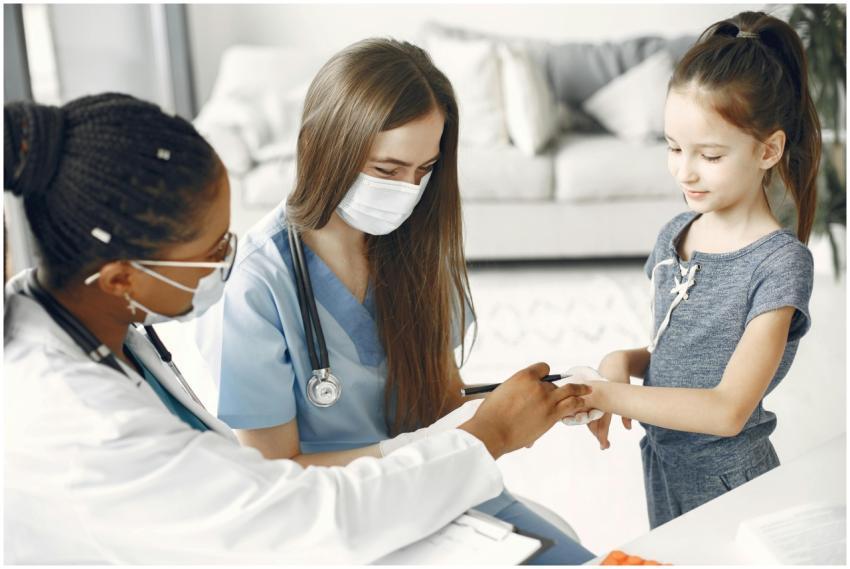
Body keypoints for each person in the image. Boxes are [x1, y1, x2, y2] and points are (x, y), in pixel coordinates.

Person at [3, 93, 593, 563]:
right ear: (119, 280)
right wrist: (485, 436)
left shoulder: (90, 324)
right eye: (212, 250)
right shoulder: (83, 424)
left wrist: (480, 422)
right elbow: (312, 517)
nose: (229, 259)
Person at [196, 38, 596, 564]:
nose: (408, 191)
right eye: (387, 170)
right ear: (322, 145)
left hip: (443, 496)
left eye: (424, 170)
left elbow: (438, 406)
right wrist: (447, 446)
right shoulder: (255, 287)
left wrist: (551, 400)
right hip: (342, 525)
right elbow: (276, 478)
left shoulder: (416, 249)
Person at [577, 11, 819, 528]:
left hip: (730, 485)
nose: (683, 170)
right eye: (673, 147)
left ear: (768, 150)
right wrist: (624, 359)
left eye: (709, 154)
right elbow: (680, 354)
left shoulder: (780, 265)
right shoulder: (675, 234)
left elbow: (728, 408)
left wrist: (608, 394)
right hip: (664, 465)